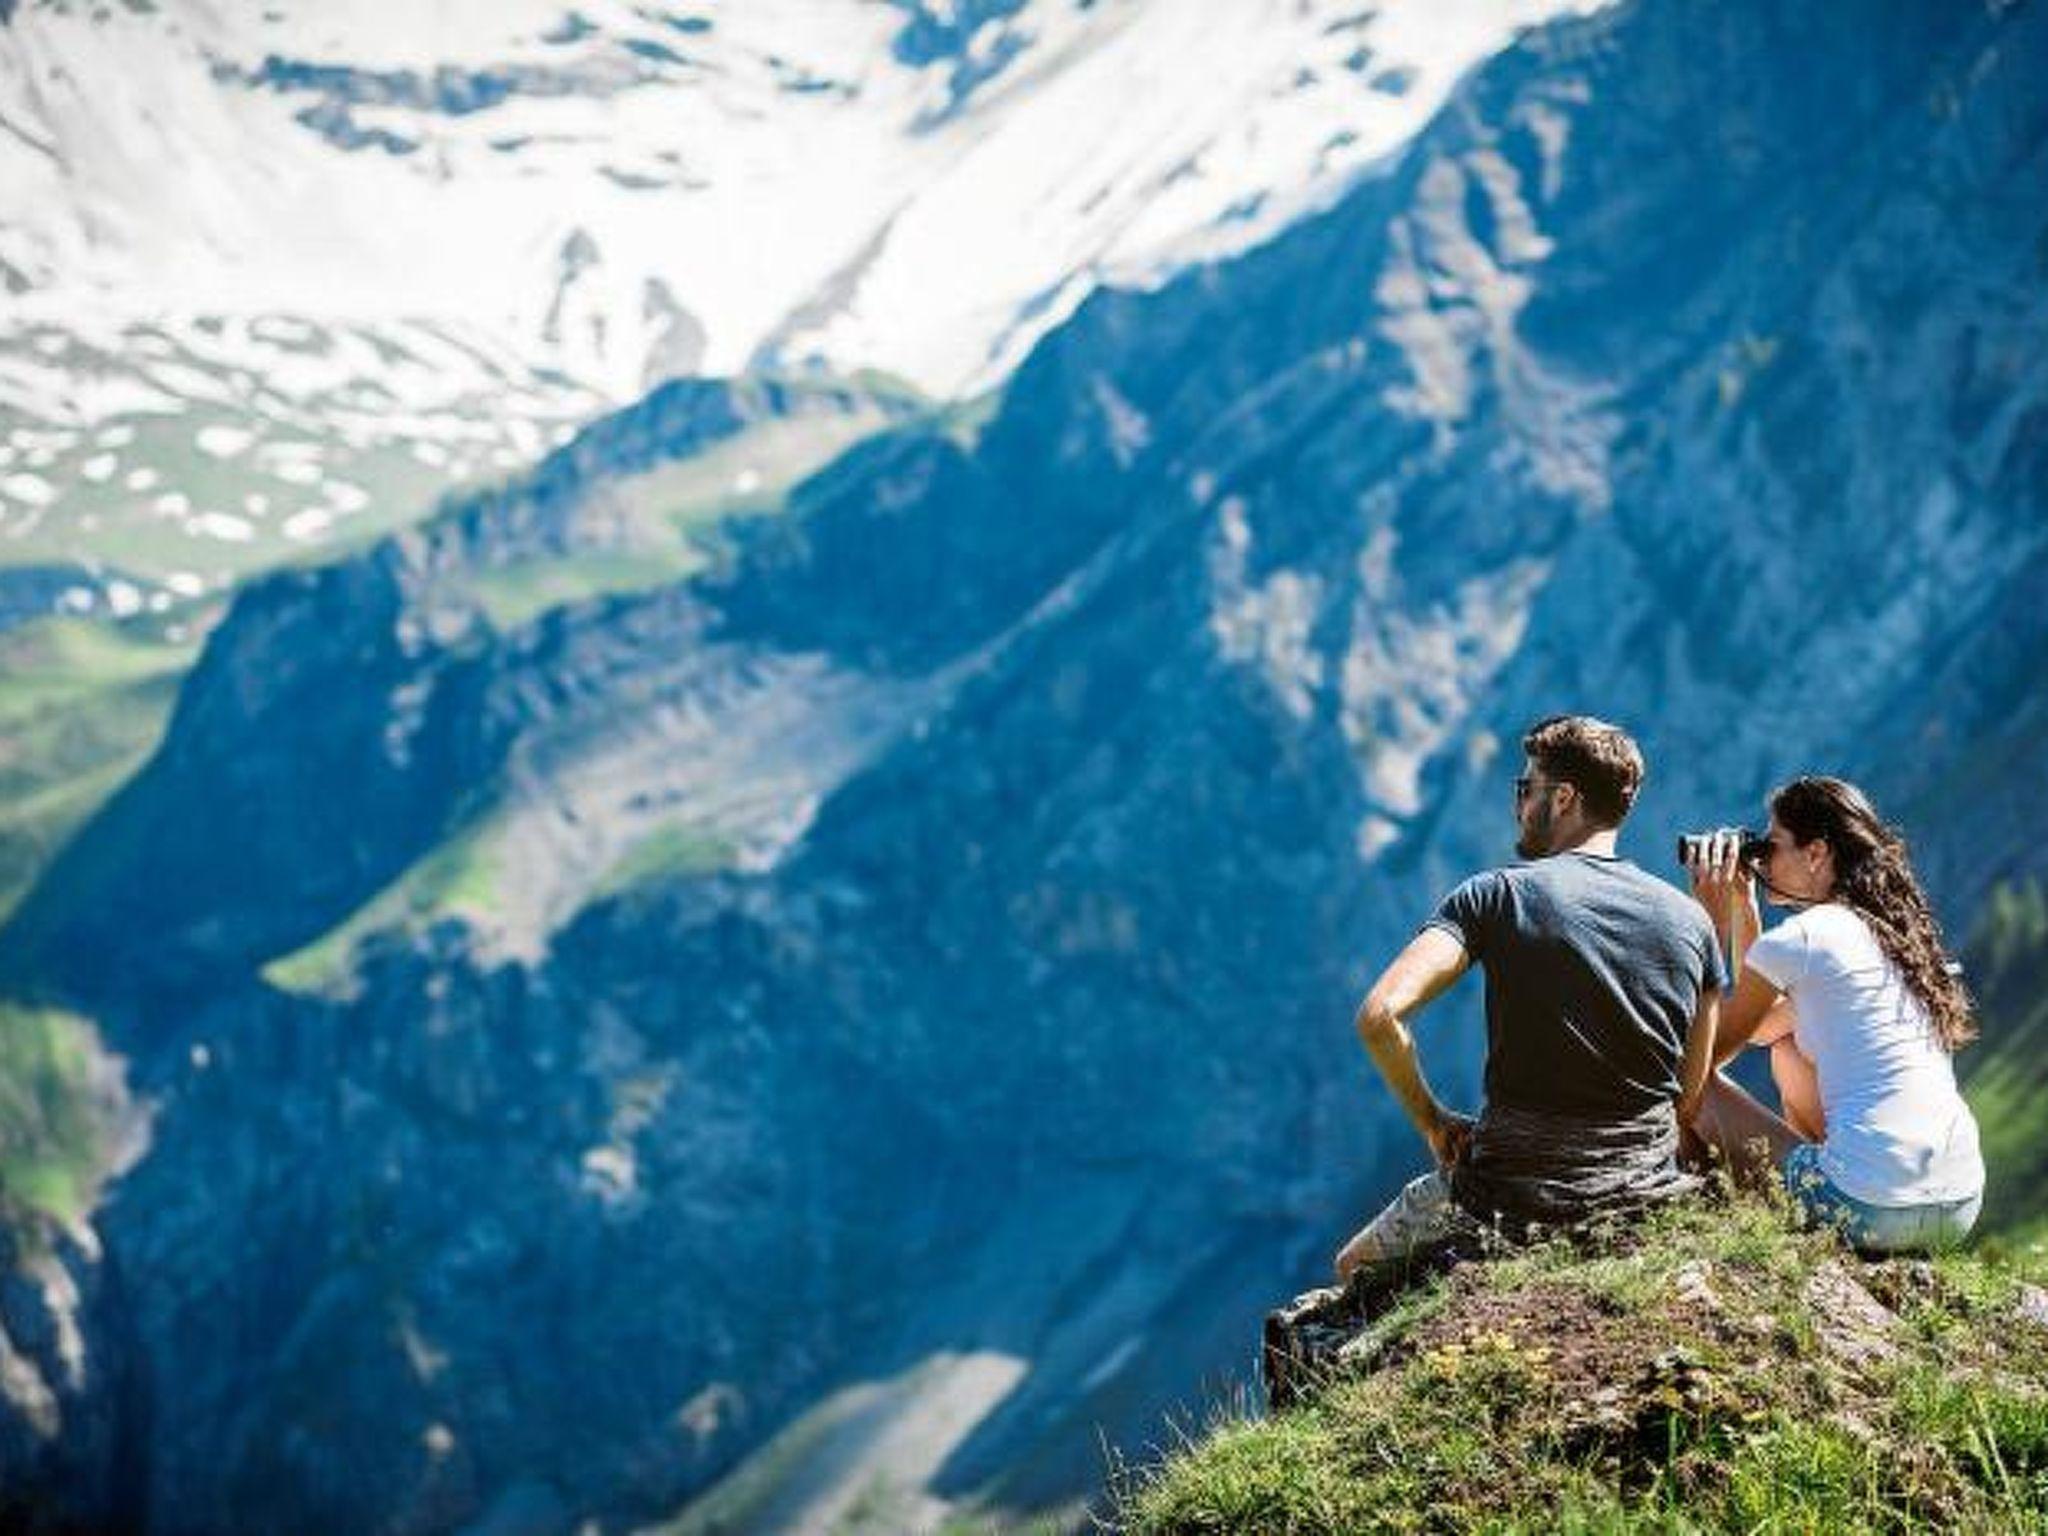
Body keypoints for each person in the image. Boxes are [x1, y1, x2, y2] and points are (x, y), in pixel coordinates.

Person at [1333, 715, 1721, 1282]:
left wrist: (1435, 1122)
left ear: (1563, 798)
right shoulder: (1693, 923)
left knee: (1352, 1270)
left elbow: (1379, 1017)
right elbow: (1689, 1100)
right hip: (1644, 1196)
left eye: (1525, 789)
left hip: (1506, 1198)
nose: (1518, 805)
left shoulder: (1495, 896)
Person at [1683, 776, 1984, 1252]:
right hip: (1958, 1206)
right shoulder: (1894, 935)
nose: (1761, 860)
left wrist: (1713, 920)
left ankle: (1705, 1231)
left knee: (1686, 1093)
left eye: (1772, 845)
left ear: (1816, 853)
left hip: (1868, 1208)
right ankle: (1831, 1176)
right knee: (1786, 1052)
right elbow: (1762, 1029)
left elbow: (1702, 1062)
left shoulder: (1803, 937)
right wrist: (1743, 903)